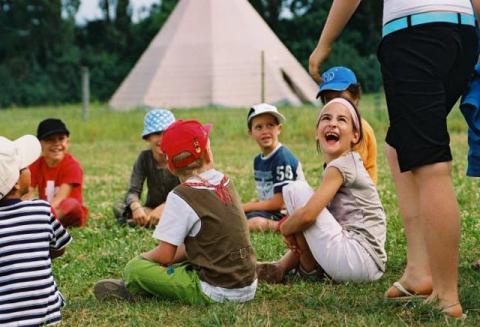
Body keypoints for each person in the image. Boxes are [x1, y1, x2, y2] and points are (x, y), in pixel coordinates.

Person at [308, 0, 479, 318]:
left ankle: (447, 298)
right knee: (399, 145)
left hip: (415, 34)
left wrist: (323, 45)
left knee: (430, 164)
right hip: (463, 35)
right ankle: (418, 271)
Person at [94, 120, 257, 304]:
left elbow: (165, 255)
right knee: (184, 261)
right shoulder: (225, 181)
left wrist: (144, 259)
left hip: (216, 291)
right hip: (248, 284)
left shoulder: (181, 195)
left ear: (171, 167)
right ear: (208, 154)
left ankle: (138, 287)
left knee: (135, 269)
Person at [256, 98, 386, 284]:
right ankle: (292, 267)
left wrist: (285, 228)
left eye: (342, 120)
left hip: (358, 257)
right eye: (326, 118)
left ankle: (306, 268)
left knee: (295, 189)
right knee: (303, 208)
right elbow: (314, 222)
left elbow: (308, 216)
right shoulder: (338, 166)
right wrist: (294, 224)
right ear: (317, 133)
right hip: (364, 263)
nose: (332, 123)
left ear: (355, 136)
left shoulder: (342, 165)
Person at [0, 135, 72, 326]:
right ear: (16, 182)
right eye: (24, 168)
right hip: (47, 315)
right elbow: (60, 248)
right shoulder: (40, 209)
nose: (29, 169)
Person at [243, 103, 305, 232]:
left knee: (251, 222)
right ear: (251, 132)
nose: (265, 131)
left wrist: (245, 206)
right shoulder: (257, 160)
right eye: (258, 127)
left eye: (270, 125)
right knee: (238, 217)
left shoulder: (282, 157)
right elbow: (267, 198)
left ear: (279, 128)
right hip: (271, 211)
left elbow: (279, 203)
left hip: (287, 213)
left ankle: (282, 226)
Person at [113, 109, 180, 227]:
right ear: (148, 138)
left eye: (166, 134)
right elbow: (133, 191)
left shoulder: (179, 157)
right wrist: (136, 207)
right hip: (150, 208)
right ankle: (148, 219)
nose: (162, 139)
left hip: (176, 206)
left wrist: (166, 206)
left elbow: (186, 191)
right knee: (119, 206)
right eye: (157, 134)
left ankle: (145, 222)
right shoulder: (144, 158)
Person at [317, 66, 378, 184]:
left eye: (341, 98)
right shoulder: (335, 128)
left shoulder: (359, 129)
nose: (336, 104)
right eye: (329, 100)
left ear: (355, 98)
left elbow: (351, 172)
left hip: (356, 194)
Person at [26, 118, 88, 227]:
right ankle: (44, 221)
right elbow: (27, 192)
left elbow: (61, 198)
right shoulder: (35, 165)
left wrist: (42, 215)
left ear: (67, 141)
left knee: (71, 204)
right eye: (50, 140)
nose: (57, 144)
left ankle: (44, 223)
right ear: (40, 144)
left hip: (68, 214)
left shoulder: (72, 166)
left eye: (61, 139)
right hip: (48, 212)